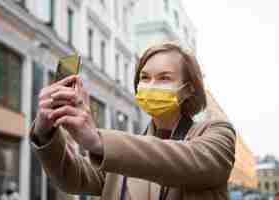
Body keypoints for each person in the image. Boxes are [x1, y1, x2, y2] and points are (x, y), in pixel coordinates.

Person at [30, 42, 236, 199]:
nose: (151, 84)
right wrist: (44, 131)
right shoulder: (119, 155)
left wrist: (98, 141)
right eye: (145, 78)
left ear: (189, 89)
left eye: (164, 78)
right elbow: (72, 176)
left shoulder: (217, 132)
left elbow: (192, 161)